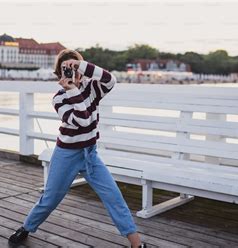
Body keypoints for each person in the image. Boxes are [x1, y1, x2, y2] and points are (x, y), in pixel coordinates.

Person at [8, 49, 146, 248]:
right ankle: (27, 227)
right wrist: (72, 89)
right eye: (67, 69)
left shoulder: (93, 88)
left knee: (114, 196)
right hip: (66, 155)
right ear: (60, 73)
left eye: (75, 67)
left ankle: (137, 244)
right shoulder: (59, 98)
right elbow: (82, 120)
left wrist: (80, 64)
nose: (73, 72)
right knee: (49, 199)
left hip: (90, 154)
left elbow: (111, 80)